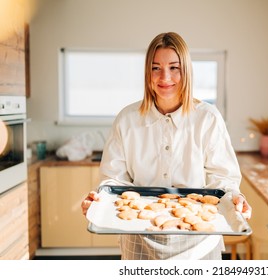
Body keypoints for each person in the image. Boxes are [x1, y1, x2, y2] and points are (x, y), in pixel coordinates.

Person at [81, 32, 252, 260]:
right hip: (139, 241)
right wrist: (99, 203)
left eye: (174, 67)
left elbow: (223, 179)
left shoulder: (208, 118)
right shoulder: (127, 119)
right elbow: (114, 181)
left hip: (198, 244)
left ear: (186, 71)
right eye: (155, 68)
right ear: (147, 73)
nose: (165, 77)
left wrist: (234, 199)